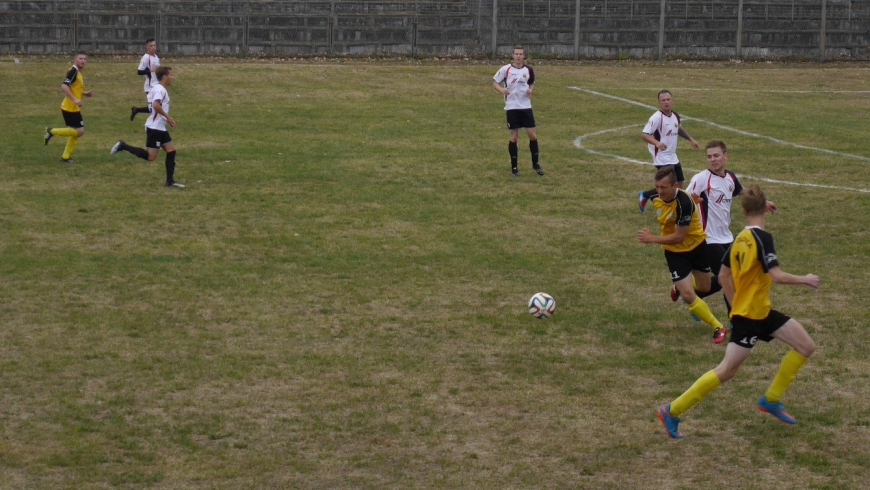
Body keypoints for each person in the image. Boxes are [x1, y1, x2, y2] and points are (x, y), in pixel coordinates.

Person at [657, 184, 820, 439]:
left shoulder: (738, 240)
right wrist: (806, 279)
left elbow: (722, 275)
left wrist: (734, 306)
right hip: (749, 319)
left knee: (806, 346)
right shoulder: (762, 239)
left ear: (743, 212)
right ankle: (672, 410)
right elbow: (776, 275)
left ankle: (772, 399)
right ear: (765, 208)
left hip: (760, 313)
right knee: (726, 371)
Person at [637, 167, 727, 344]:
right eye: (657, 187)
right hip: (674, 253)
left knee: (705, 287)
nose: (660, 191)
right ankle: (718, 326)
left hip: (696, 247)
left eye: (664, 188)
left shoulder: (683, 202)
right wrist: (643, 200)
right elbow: (645, 195)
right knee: (688, 295)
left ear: (675, 186)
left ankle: (680, 285)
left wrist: (651, 238)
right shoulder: (656, 195)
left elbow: (679, 237)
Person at [683, 141, 777, 307]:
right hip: (708, 238)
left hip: (726, 236)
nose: (713, 159)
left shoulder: (730, 178)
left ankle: (691, 296)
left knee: (731, 277)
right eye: (709, 156)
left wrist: (763, 203)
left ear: (725, 156)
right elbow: (683, 199)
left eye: (716, 156)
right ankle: (733, 319)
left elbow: (742, 193)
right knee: (728, 277)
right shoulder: (702, 179)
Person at [110, 66, 185, 188]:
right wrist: (168, 117)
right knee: (151, 157)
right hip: (154, 128)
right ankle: (123, 146)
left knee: (171, 151)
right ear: (164, 77)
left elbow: (152, 107)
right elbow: (155, 105)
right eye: (170, 75)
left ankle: (170, 182)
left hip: (159, 127)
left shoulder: (156, 88)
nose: (172, 77)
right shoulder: (160, 90)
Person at [638, 90, 698, 211]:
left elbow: (678, 128)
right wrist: (657, 143)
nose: (666, 102)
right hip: (661, 156)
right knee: (668, 185)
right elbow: (644, 135)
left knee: (679, 183)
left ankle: (646, 195)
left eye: (668, 99)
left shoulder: (675, 115)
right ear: (659, 103)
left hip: (672, 155)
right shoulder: (657, 117)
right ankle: (665, 207)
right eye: (663, 100)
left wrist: (691, 139)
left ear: (672, 100)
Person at [492, 45, 543, 177]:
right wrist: (502, 90)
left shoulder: (528, 70)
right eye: (516, 54)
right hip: (512, 107)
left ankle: (536, 164)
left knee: (532, 135)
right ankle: (514, 168)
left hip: (525, 106)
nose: (518, 56)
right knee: (514, 137)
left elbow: (532, 82)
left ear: (524, 56)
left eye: (521, 54)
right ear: (513, 55)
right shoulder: (506, 69)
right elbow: (495, 83)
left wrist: (531, 90)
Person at [43, 52, 93, 163]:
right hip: (70, 107)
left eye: (85, 59)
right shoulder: (73, 71)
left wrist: (84, 93)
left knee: (75, 133)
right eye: (80, 58)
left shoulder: (77, 72)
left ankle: (65, 157)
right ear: (75, 59)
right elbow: (64, 86)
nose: (83, 61)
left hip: (72, 107)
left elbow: (74, 88)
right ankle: (51, 131)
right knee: (79, 131)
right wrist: (75, 100)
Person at [130, 38, 160, 121]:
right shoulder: (146, 58)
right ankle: (153, 124)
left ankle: (136, 110)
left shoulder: (156, 57)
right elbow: (139, 71)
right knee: (154, 108)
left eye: (154, 45)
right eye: (151, 46)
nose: (153, 47)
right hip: (150, 86)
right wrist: (150, 70)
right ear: (147, 47)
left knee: (158, 106)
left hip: (157, 85)